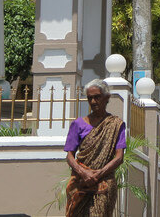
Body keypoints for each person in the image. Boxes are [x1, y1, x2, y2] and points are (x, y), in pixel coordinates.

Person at [64, 79, 127, 217]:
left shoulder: (116, 124)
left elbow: (119, 157)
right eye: (90, 98)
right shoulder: (78, 124)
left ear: (106, 98)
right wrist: (84, 173)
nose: (93, 102)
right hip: (81, 182)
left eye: (97, 97)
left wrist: (98, 174)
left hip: (104, 182)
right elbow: (69, 156)